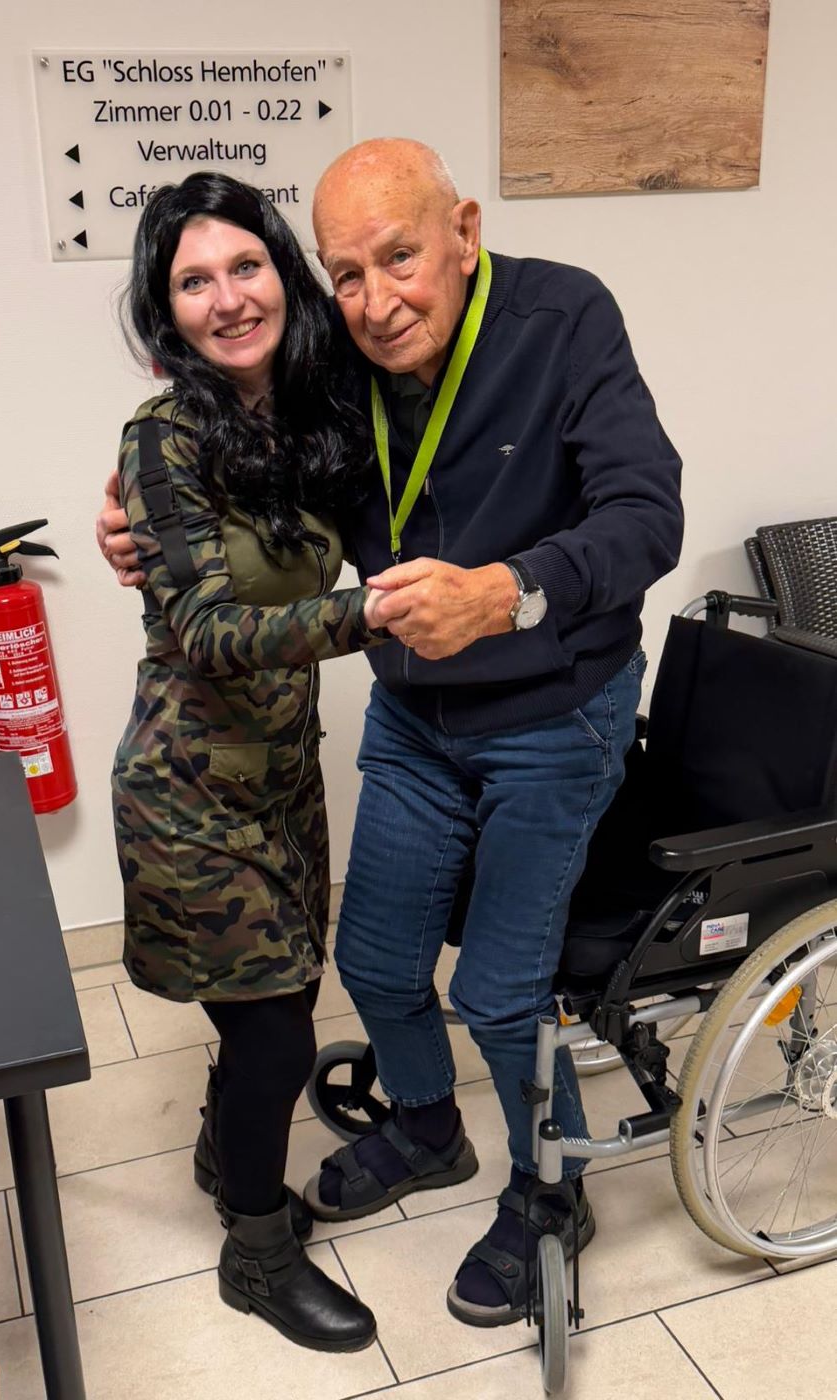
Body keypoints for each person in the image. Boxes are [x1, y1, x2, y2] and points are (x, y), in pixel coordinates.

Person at [98, 139, 683, 1328]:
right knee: (371, 959)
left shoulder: (564, 317)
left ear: (464, 232)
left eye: (401, 257)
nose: (377, 301)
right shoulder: (333, 362)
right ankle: (426, 1124)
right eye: (348, 273)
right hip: (417, 715)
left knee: (503, 994)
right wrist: (130, 514)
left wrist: (509, 591)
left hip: (551, 709)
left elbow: (647, 514)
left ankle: (549, 1191)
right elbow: (236, 460)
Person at [110, 171, 389, 1352]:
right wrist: (374, 613)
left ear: (284, 273)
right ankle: (256, 1252)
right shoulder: (163, 435)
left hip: (279, 778)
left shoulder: (315, 415)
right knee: (277, 1034)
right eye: (194, 281)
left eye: (245, 265)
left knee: (277, 1004)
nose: (227, 298)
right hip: (187, 792)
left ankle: (230, 1148)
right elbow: (205, 629)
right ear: (165, 310)